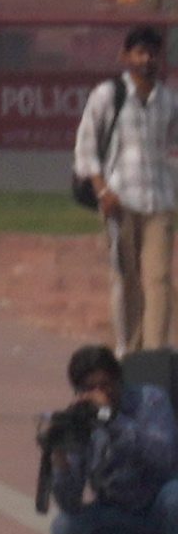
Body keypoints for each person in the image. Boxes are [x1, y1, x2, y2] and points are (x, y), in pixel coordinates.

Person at [40, 341, 178, 534]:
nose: (100, 394)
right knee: (65, 528)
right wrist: (60, 460)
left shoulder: (150, 400)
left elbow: (165, 457)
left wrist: (112, 420)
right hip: (121, 517)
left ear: (119, 380)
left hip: (161, 509)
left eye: (106, 385)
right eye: (90, 388)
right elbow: (70, 503)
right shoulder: (81, 419)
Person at [78, 26, 178, 355]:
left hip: (160, 201)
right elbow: (87, 146)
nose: (147, 59)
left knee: (160, 281)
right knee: (127, 280)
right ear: (126, 56)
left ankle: (155, 355)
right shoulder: (109, 95)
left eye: (152, 53)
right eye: (140, 52)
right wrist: (102, 190)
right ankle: (129, 353)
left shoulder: (168, 100)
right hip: (120, 201)